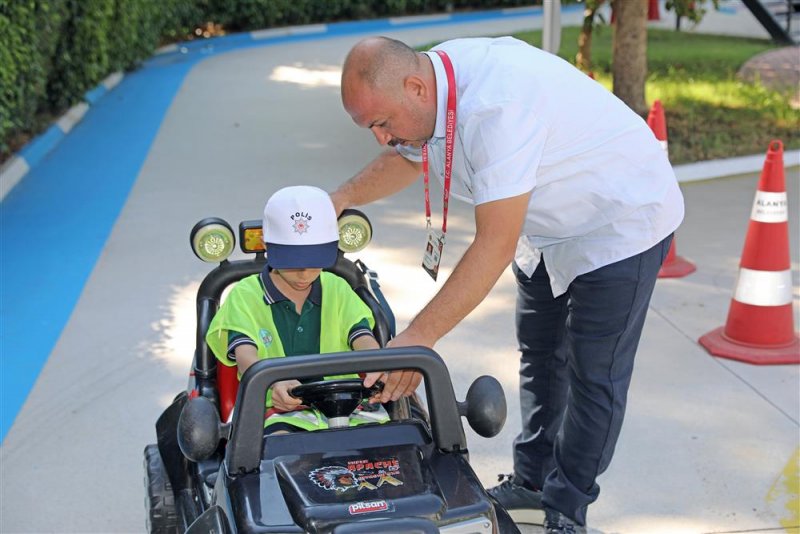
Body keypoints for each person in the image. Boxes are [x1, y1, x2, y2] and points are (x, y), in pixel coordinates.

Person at [333, 36, 683, 533]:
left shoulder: (498, 105)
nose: (382, 138)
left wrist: (418, 338)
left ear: (414, 87)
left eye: (382, 123)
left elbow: (493, 245)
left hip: (619, 221)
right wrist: (340, 198)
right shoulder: (433, 87)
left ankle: (566, 508)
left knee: (594, 375)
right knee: (540, 355)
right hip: (546, 225)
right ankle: (533, 480)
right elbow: (404, 158)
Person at [206, 185, 387, 432]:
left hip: (349, 408)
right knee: (280, 450)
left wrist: (375, 363)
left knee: (398, 443)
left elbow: (362, 337)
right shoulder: (245, 296)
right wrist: (272, 381)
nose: (304, 274)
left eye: (314, 263)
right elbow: (245, 356)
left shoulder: (337, 288)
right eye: (292, 264)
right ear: (268, 247)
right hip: (279, 413)